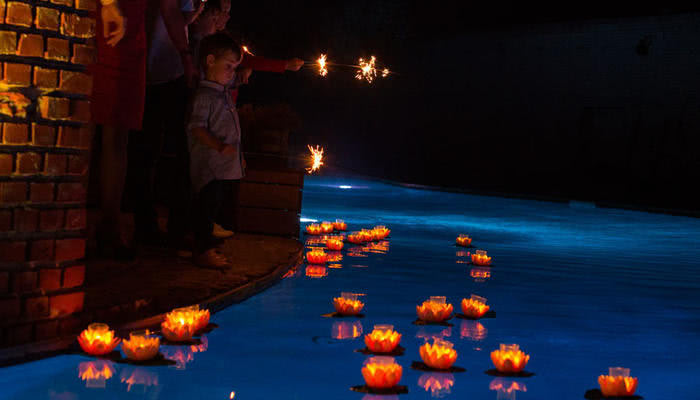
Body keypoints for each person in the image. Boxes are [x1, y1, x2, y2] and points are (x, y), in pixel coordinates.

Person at [128, 0, 199, 250]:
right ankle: (171, 229)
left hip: (151, 63)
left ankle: (148, 224)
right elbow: (171, 10)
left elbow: (180, 15)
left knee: (145, 150)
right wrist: (186, 55)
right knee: (174, 149)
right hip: (164, 65)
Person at [90, 0, 145, 260]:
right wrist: (110, 4)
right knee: (90, 129)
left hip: (130, 33)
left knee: (118, 134)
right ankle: (74, 223)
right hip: (107, 25)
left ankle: (109, 225)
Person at [187, 33, 245, 268]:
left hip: (225, 168)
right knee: (206, 208)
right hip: (210, 168)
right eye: (228, 66)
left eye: (235, 68)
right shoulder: (205, 97)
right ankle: (203, 251)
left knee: (217, 210)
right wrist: (220, 146)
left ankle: (210, 247)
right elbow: (196, 128)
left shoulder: (222, 94)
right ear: (210, 61)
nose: (232, 73)